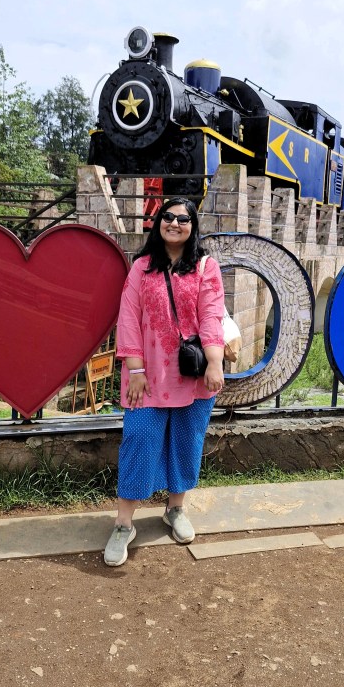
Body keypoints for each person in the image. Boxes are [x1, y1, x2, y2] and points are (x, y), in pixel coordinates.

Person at [104, 197, 226, 567]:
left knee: (187, 440)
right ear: (158, 223)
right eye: (168, 217)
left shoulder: (206, 267)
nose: (174, 223)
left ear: (193, 225)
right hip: (147, 376)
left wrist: (215, 363)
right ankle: (124, 523)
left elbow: (211, 315)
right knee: (139, 439)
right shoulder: (141, 268)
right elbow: (127, 319)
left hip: (194, 373)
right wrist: (136, 370)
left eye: (183, 219)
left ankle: (176, 508)